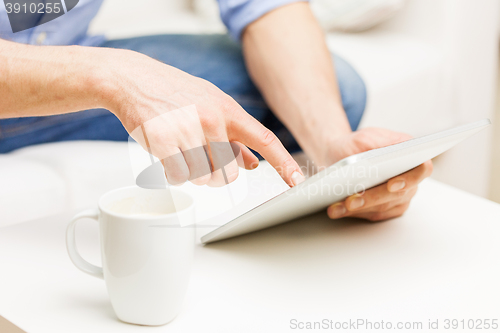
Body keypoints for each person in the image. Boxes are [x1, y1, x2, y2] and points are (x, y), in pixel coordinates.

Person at [0, 0, 432, 221]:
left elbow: (263, 6)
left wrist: (335, 147)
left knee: (341, 91)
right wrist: (114, 77)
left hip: (55, 56)